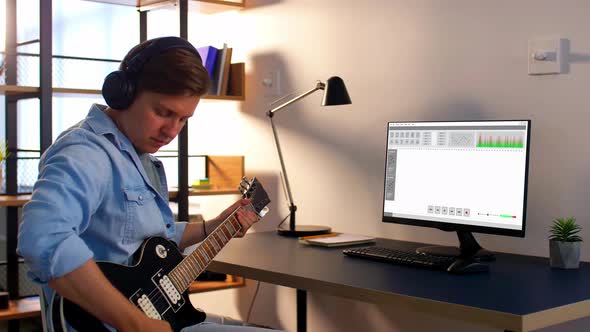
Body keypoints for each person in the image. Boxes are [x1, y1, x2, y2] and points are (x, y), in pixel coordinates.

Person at [17, 37, 274, 332]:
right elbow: (44, 238)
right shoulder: (85, 151)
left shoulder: (141, 156)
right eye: (163, 113)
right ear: (123, 93)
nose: (171, 131)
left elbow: (148, 240)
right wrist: (136, 323)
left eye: (183, 120)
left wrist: (212, 227)